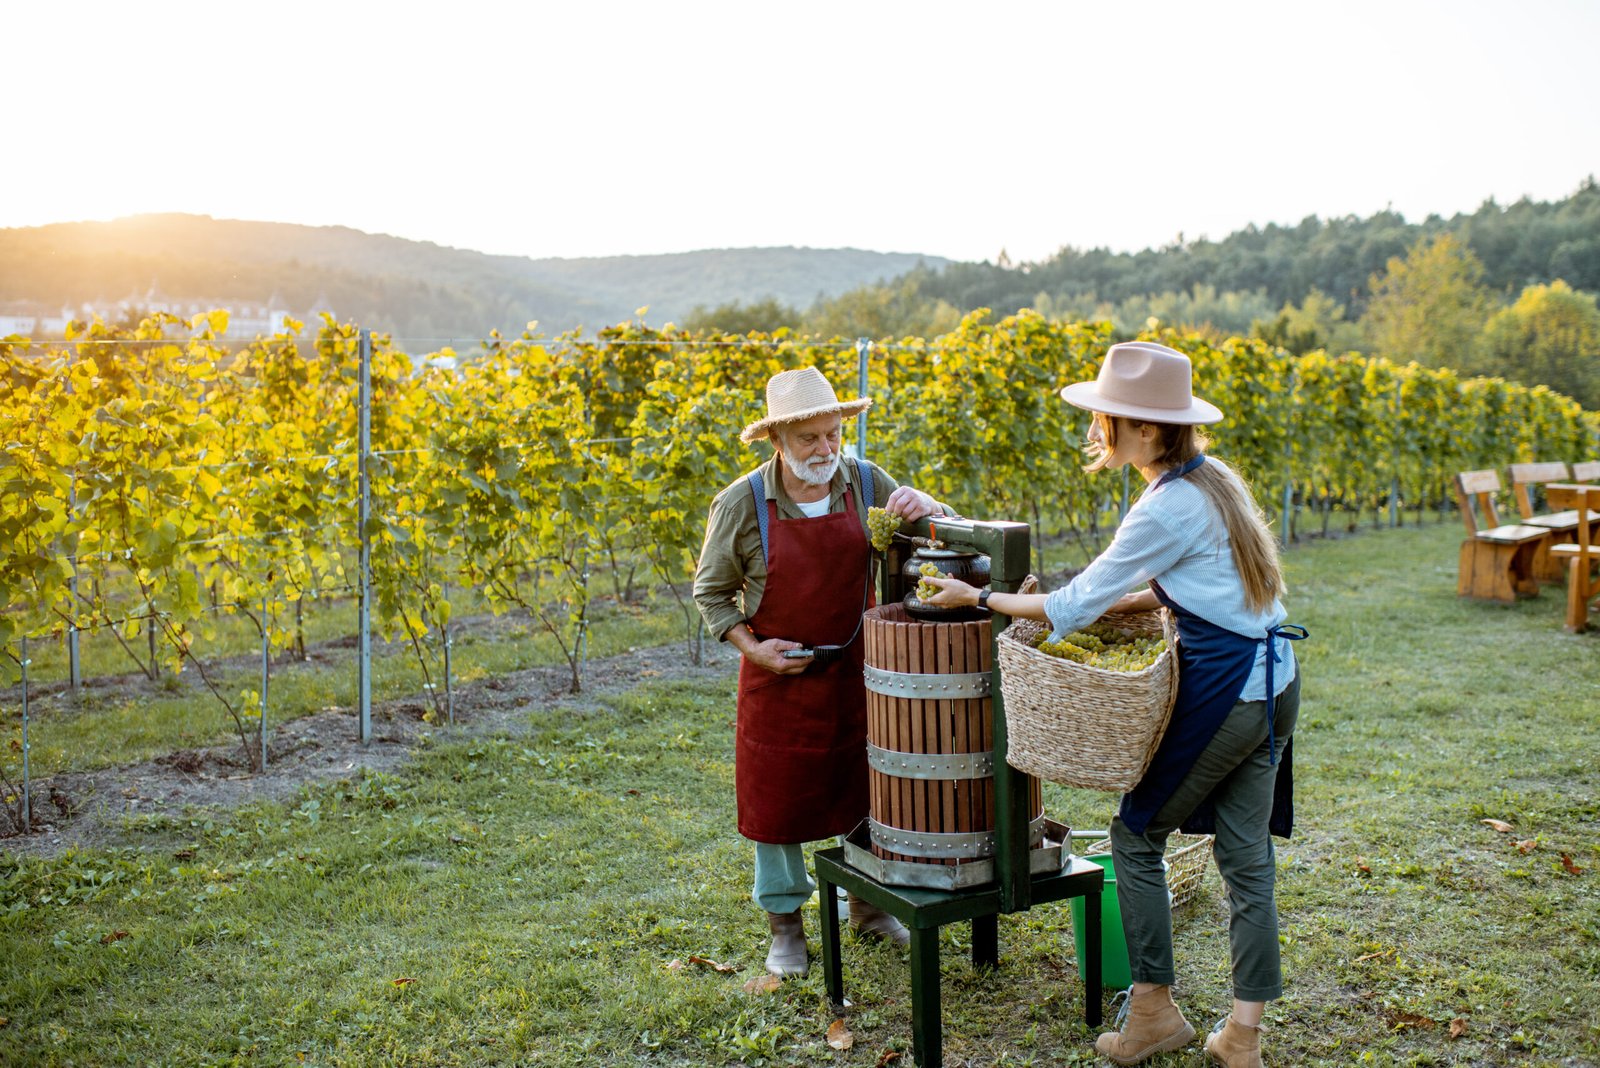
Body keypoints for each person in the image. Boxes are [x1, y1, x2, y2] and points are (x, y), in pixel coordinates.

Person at [923, 341, 1303, 1068]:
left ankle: (1154, 1013)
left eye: (1112, 416)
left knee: (1134, 835)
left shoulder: (1165, 506)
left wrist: (978, 596)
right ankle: (1242, 1039)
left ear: (1151, 431)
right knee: (1247, 859)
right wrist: (1108, 608)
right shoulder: (1213, 480)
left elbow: (1070, 603)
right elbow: (1182, 587)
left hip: (1226, 690)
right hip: (1276, 681)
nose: (1100, 425)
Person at [693, 366, 948, 978]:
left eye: (834, 435)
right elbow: (712, 594)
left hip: (863, 669)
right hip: (779, 676)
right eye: (810, 439)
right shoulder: (742, 503)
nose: (826, 450)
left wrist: (929, 505)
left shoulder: (865, 483)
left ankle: (867, 904)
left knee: (866, 784)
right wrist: (753, 650)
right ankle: (785, 925)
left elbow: (937, 539)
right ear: (778, 441)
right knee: (776, 802)